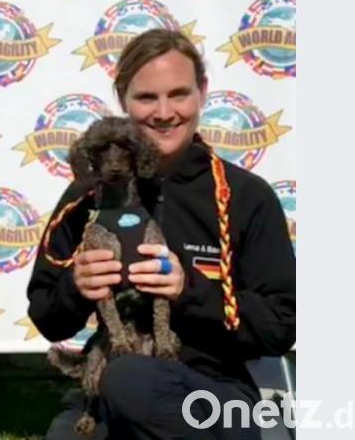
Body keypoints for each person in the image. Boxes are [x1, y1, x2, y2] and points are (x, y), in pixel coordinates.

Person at [27, 28, 296, 439]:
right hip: (111, 388)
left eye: (179, 94)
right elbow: (48, 318)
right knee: (107, 396)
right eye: (146, 98)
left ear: (202, 93)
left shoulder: (245, 196)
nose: (164, 112)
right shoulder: (87, 196)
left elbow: (280, 327)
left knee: (132, 380)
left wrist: (189, 290)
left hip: (214, 391)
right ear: (123, 100)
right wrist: (76, 286)